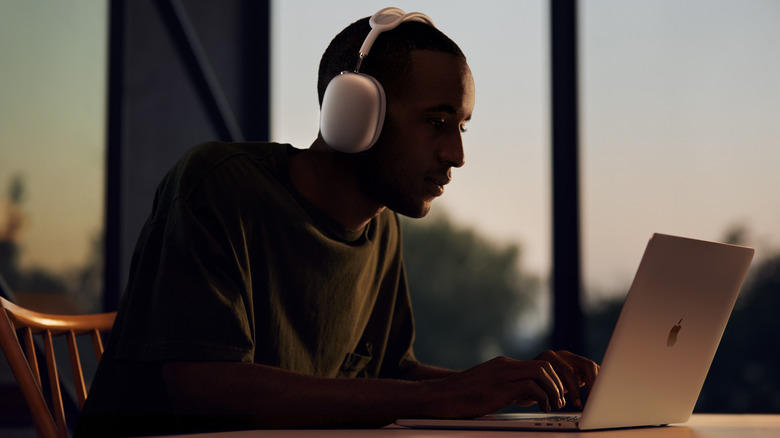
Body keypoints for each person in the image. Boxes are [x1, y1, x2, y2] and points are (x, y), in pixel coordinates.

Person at [76, 8, 598, 437]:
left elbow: (391, 376)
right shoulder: (218, 185)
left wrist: (513, 384)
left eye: (461, 126)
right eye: (437, 122)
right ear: (354, 111)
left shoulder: (381, 228)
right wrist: (449, 396)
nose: (457, 154)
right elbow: (203, 389)